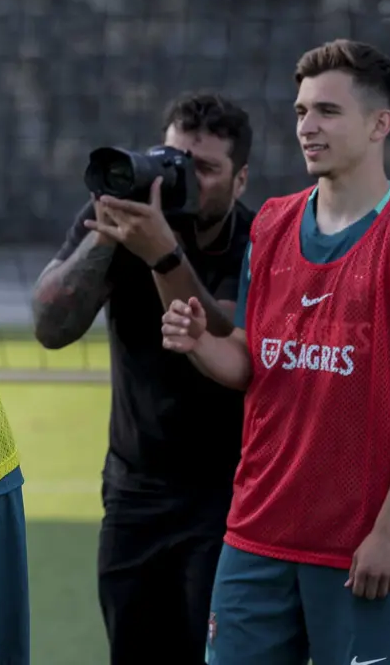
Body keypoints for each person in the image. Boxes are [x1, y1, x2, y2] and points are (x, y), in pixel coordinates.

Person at [162, 40, 390, 665]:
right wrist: (200, 346)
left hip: (364, 552)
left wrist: (389, 534)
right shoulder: (269, 226)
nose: (306, 126)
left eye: (327, 111)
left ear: (380, 124)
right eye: (301, 111)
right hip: (256, 537)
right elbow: (252, 362)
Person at [30, 94, 254, 663]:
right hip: (135, 488)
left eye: (205, 169)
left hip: (229, 491)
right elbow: (50, 327)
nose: (185, 178)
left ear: (240, 179)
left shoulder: (258, 238)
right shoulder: (120, 220)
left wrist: (163, 254)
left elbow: (224, 333)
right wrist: (103, 238)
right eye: (173, 159)